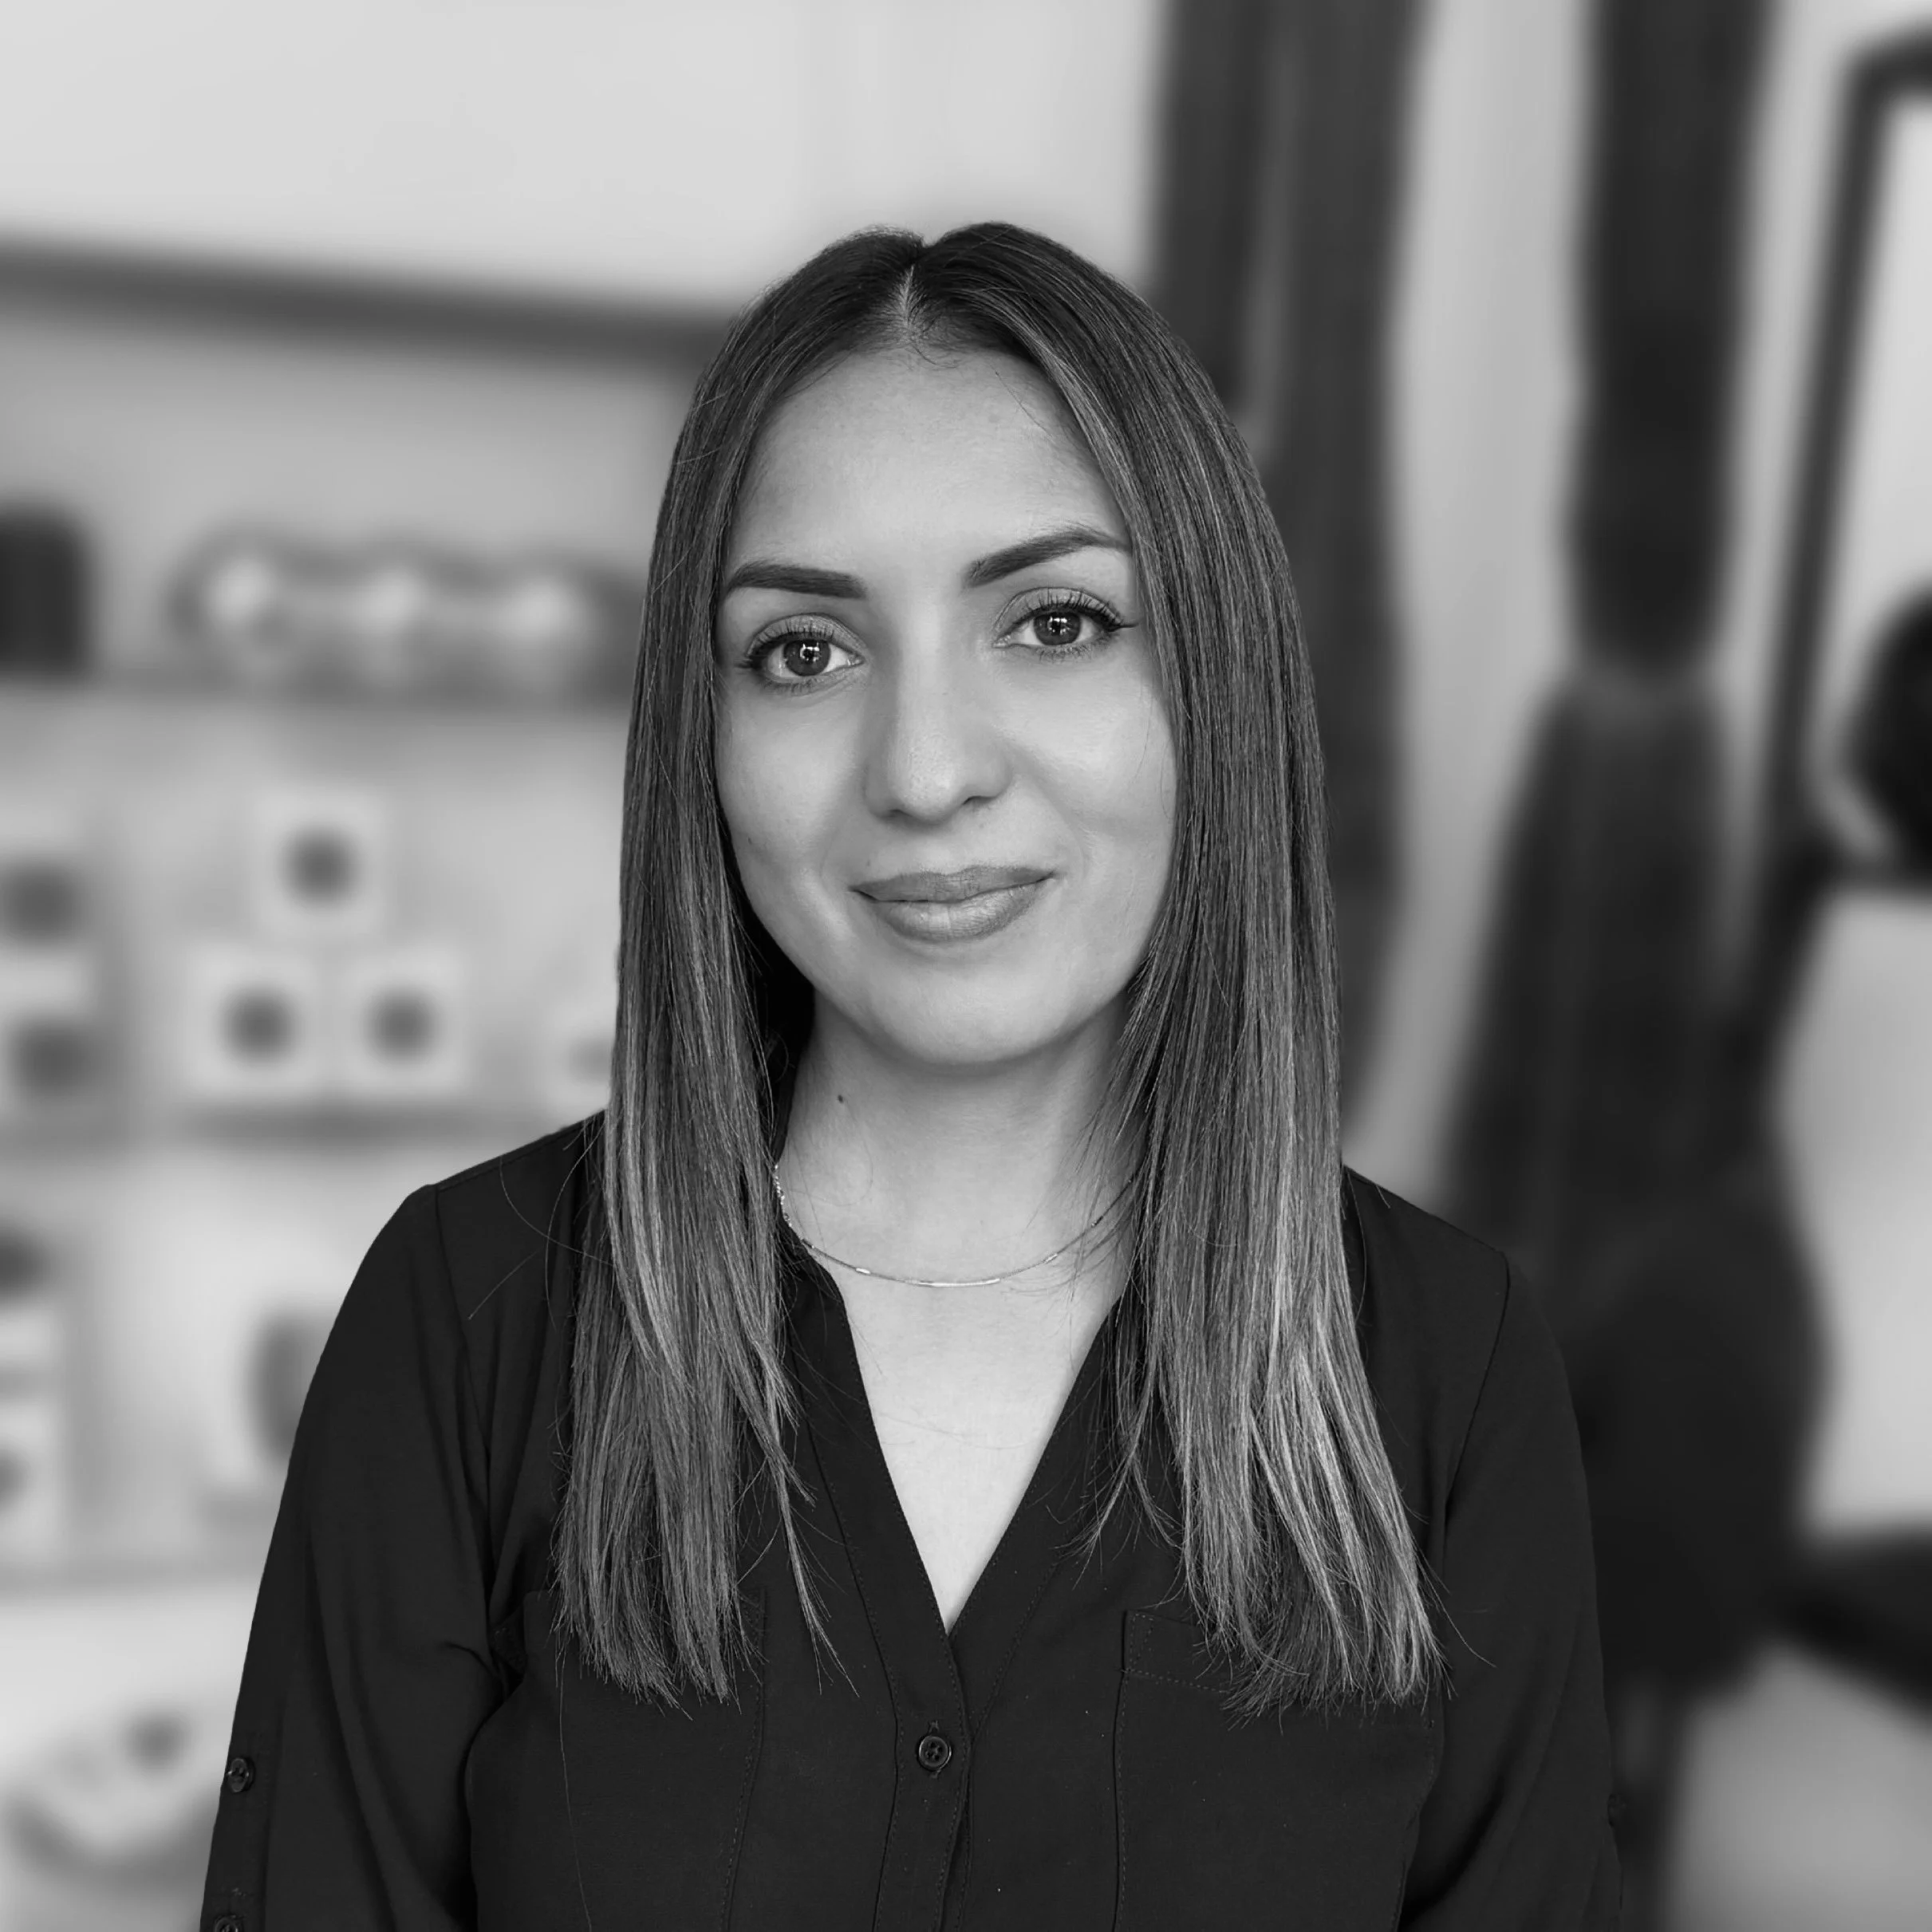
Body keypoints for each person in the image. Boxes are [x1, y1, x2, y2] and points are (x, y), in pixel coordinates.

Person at [199, 223, 1620, 1930]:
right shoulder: (471, 1320)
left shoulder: (1441, 1372)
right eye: (803, 650)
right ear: (701, 741)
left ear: (1215, 686)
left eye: (1056, 620)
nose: (927, 767)